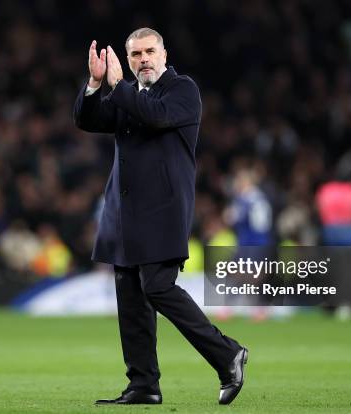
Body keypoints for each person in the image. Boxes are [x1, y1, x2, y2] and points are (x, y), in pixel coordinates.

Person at [73, 28, 247, 405]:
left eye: (150, 51)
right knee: (131, 296)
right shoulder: (128, 94)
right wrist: (95, 83)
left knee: (157, 287)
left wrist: (119, 88)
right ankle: (143, 385)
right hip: (123, 212)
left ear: (164, 54)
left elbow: (156, 117)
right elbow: (89, 120)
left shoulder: (182, 90)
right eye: (136, 54)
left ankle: (227, 354)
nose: (144, 60)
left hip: (162, 211)